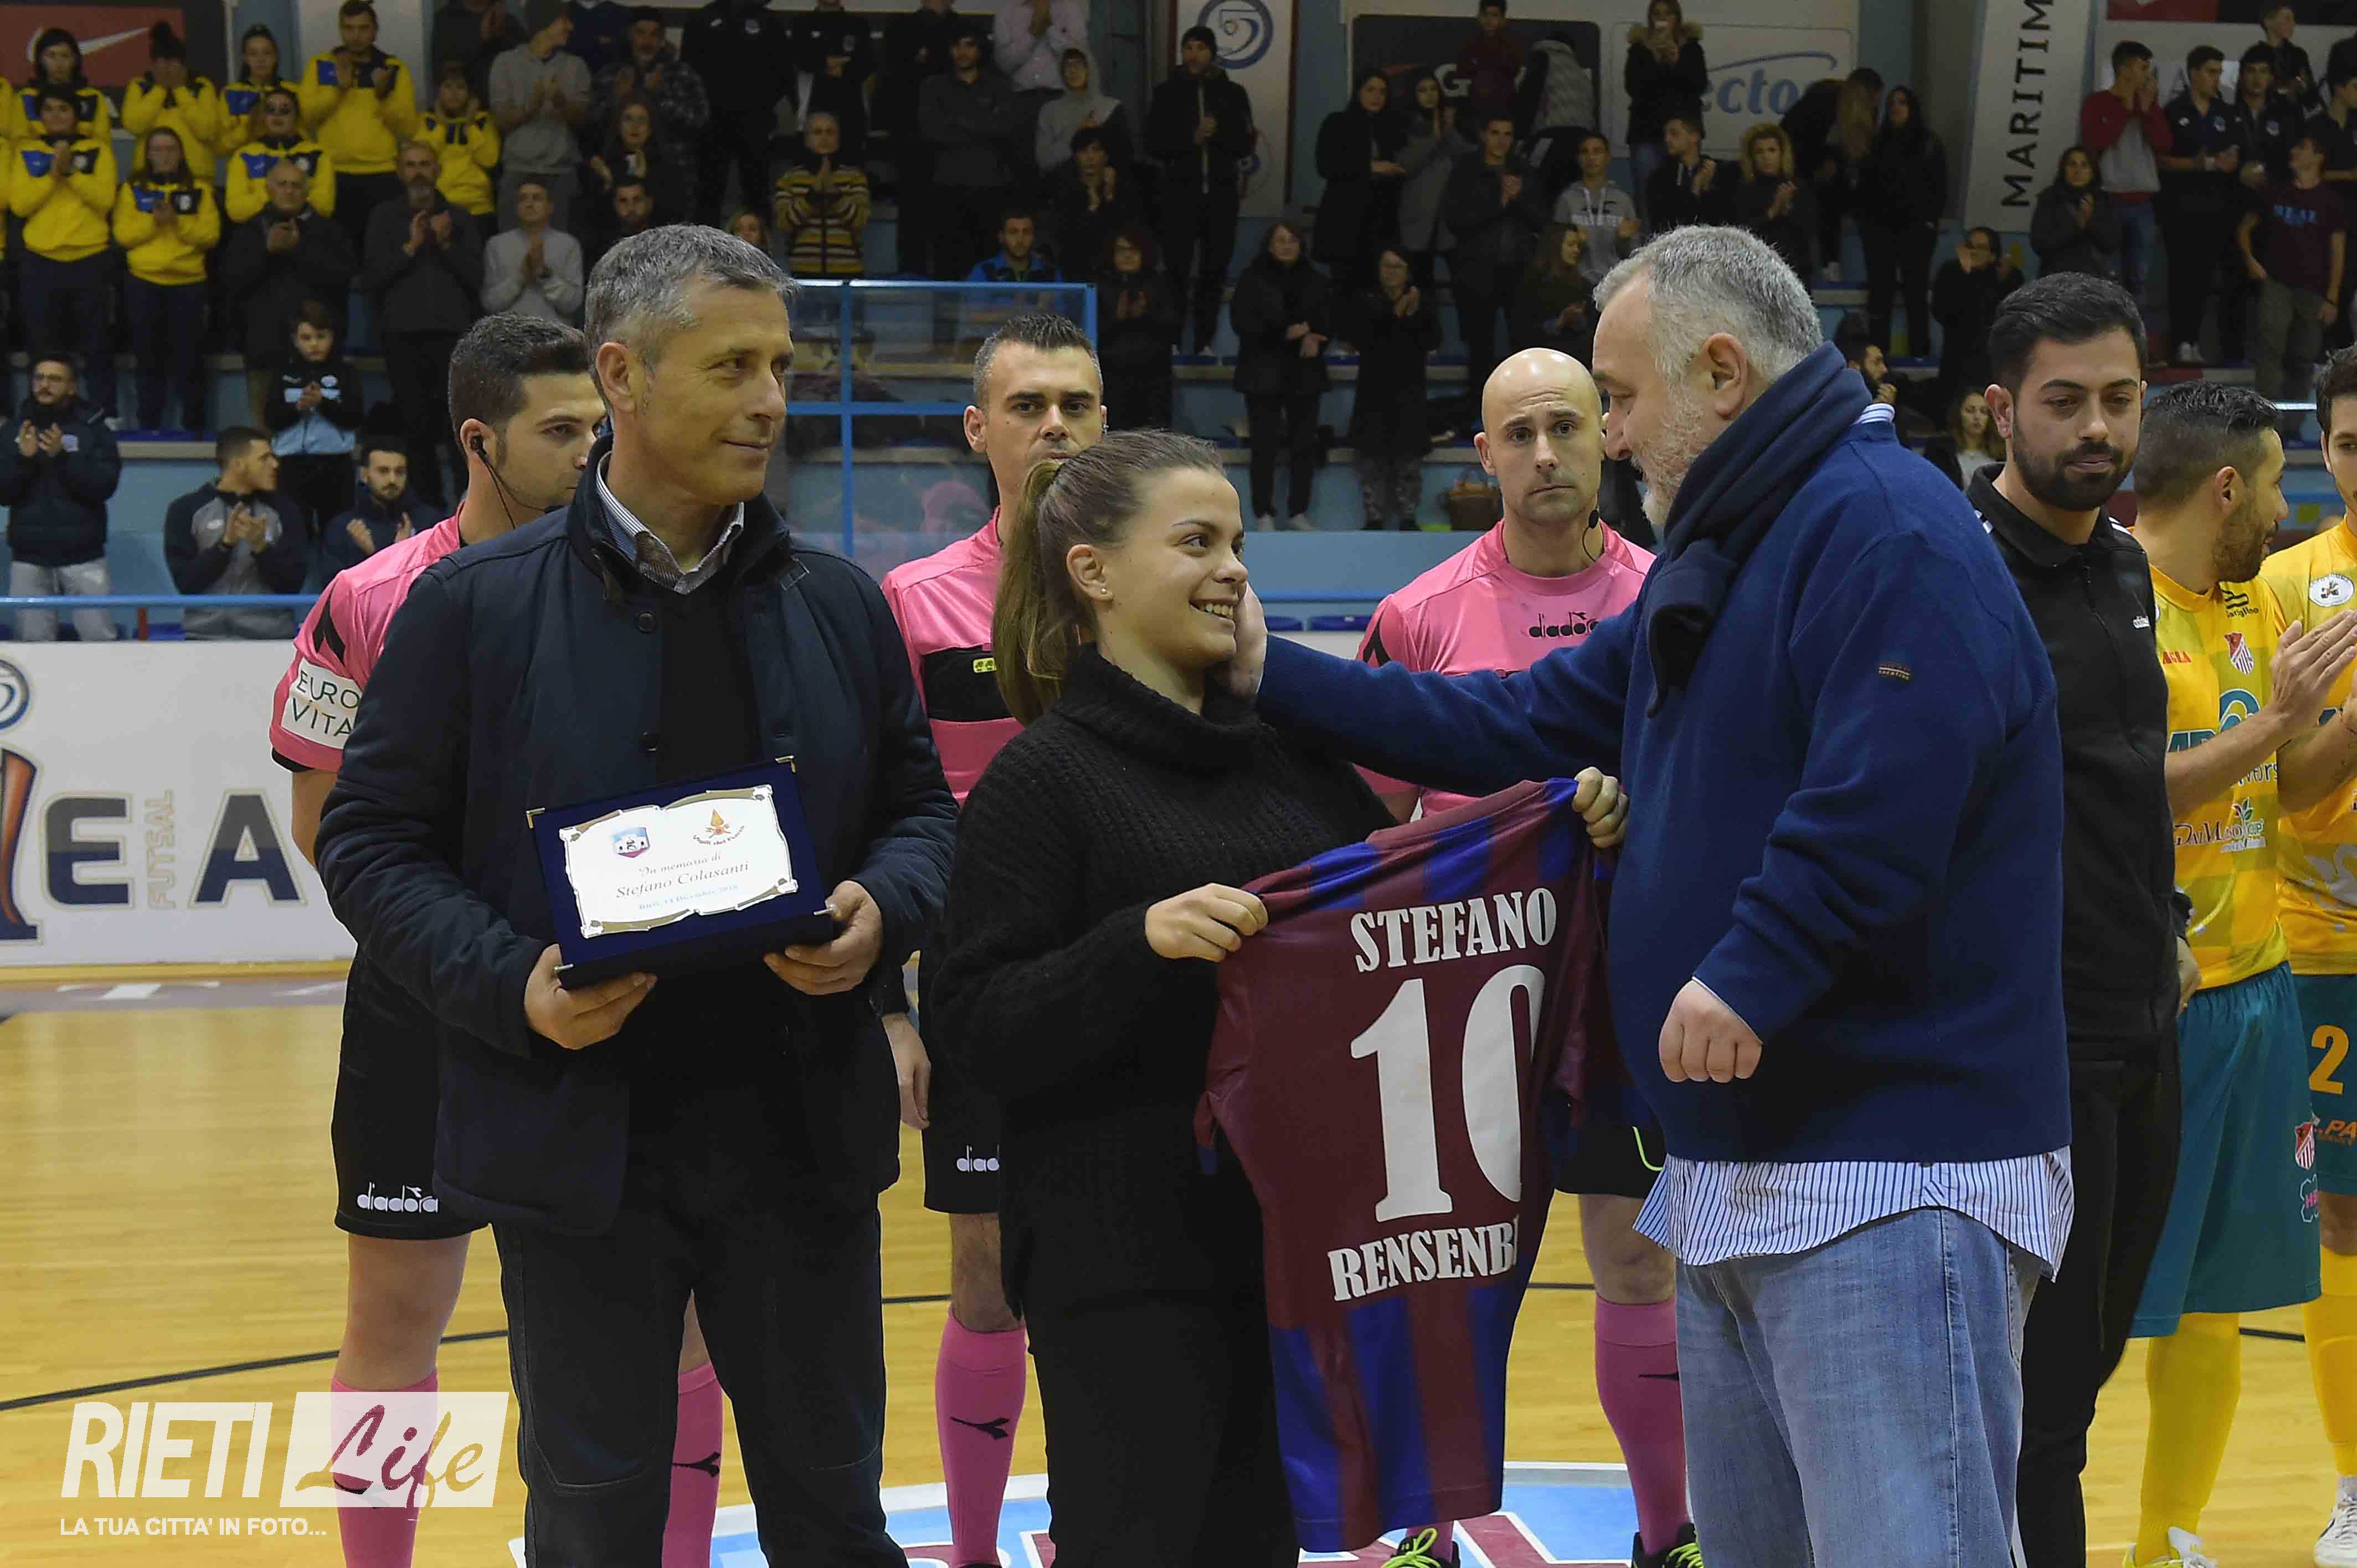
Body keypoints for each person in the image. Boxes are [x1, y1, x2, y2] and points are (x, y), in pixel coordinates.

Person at [1218, 223, 2076, 1564]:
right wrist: (1269, 670)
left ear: (1721, 373)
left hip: (1892, 1173)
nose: (1609, 436)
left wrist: (1751, 967)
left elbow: (1892, 788)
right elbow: (1525, 717)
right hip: (1747, 1160)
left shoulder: (1886, 525)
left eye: (1617, 397)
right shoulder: (1733, 543)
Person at [313, 223, 955, 1567]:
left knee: (836, 1514)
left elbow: (921, 816)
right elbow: (366, 840)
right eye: (731, 366)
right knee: (593, 1520)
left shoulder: (843, 605)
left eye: (780, 366)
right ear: (621, 375)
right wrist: (511, 984)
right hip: (578, 1146)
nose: (771, 400)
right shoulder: (470, 607)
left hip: (800, 1138)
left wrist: (883, 909)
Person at [266, 315, 741, 1568]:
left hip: (621, 1000)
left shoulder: (662, 582)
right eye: (563, 428)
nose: (595, 448)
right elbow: (322, 825)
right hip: (426, 1007)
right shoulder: (367, 598)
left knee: (675, 1324)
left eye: (600, 423)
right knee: (393, 1324)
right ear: (480, 441)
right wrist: (478, 958)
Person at [919, 430, 1402, 1565]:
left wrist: (1548, 827)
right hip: (1120, 1271)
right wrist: (1134, 944)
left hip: (1287, 1253)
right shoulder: (1040, 780)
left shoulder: (1294, 761)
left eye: (1237, 545)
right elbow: (976, 1024)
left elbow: (1397, 918)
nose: (1232, 569)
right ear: (1093, 572)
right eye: (1197, 542)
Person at [1349, 347, 1696, 1568]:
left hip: (1627, 990)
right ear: (1482, 455)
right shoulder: (1418, 614)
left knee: (1636, 1256)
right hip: (1462, 993)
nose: (1545, 455)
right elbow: (1365, 823)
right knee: (1444, 1264)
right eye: (1518, 434)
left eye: (1566, 426)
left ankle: (1670, 1533)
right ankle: (1419, 1533)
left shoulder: (1673, 599)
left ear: (1607, 434)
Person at [873, 312, 1104, 1568]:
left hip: (1135, 970)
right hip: (980, 988)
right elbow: (872, 812)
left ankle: (1091, 1531)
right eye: (1028, 406)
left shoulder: (1150, 581)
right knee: (985, 1272)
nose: (1055, 425)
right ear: (978, 430)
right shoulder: (914, 603)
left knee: (1112, 1270)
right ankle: (972, 1550)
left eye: (1077, 404)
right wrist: (887, 1009)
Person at [1963, 276, 2183, 1568]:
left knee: (2082, 1377)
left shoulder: (2126, 561)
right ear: (2000, 410)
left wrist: (2167, 919)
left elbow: (2122, 780)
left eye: (2118, 397)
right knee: (2041, 1412)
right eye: (2065, 401)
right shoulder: (1959, 575)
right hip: (2033, 1047)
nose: (2097, 427)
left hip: (2146, 1022)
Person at [2124, 379, 2357, 1568]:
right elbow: (2119, 797)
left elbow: (2288, 787)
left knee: (2214, 1302)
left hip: (2260, 990)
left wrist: (2340, 722)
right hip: (2146, 1001)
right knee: (2097, 1305)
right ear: (2225, 487)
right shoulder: (2112, 605)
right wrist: (2273, 726)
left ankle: (2163, 1543)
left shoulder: (2247, 605)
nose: (2284, 506)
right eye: (2272, 483)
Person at [2258, 346, 2357, 1567]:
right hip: (2326, 943)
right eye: (2345, 444)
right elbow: (2288, 790)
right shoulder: (2289, 585)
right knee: (2341, 1217)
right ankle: (2353, 1482)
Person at [365, 141, 485, 506]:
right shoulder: (384, 217)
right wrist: (411, 246)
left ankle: (469, 507)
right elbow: (374, 277)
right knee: (414, 427)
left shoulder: (459, 218)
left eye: (425, 164)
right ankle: (427, 511)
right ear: (400, 172)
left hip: (453, 337)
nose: (418, 172)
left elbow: (477, 279)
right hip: (402, 337)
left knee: (458, 426)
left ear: (437, 170)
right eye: (411, 165)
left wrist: (446, 245)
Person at [11, 89, 119, 424]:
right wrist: (53, 176)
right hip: (41, 261)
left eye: (64, 109)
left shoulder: (98, 150)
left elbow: (105, 200)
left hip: (90, 258)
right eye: (49, 110)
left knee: (98, 347)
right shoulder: (27, 151)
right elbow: (20, 205)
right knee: (42, 349)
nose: (56, 116)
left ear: (76, 115)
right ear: (40, 116)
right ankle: (41, 418)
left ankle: (105, 418)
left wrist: (71, 173)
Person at [1148, 26, 1255, 355]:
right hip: (1179, 197)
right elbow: (1154, 143)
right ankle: (1173, 340)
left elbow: (1244, 144)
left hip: (1221, 196)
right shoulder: (1167, 93)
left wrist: (1219, 133)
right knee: (1176, 273)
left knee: (1214, 272)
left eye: (1201, 48)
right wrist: (1191, 138)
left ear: (1213, 53)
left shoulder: (1233, 94)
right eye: (1188, 48)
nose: (1194, 55)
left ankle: (1205, 341)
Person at [0, 357, 121, 643]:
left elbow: (104, 486)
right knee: (33, 645)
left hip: (84, 555)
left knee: (100, 641)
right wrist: (24, 460)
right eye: (39, 378)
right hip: (29, 558)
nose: (44, 385)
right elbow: (3, 493)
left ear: (72, 387)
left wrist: (63, 458)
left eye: (54, 379)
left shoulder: (94, 429)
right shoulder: (13, 429)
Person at [223, 163, 358, 415]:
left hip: (321, 358)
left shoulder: (331, 231)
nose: (289, 191)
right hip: (263, 353)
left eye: (296, 185)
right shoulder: (248, 231)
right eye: (282, 184)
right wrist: (267, 253)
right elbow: (232, 282)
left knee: (321, 430)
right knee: (266, 432)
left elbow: (341, 278)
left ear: (307, 192)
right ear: (268, 189)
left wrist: (299, 250)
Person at [112, 127, 220, 435]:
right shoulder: (133, 190)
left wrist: (177, 223)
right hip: (144, 283)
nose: (164, 155)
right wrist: (154, 222)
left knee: (191, 362)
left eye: (171, 149)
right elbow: (123, 235)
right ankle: (149, 428)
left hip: (188, 283)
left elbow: (210, 236)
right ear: (148, 154)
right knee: (148, 361)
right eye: (158, 149)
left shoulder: (199, 189)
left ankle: (195, 429)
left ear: (181, 153)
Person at [2241, 129, 2345, 438]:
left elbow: (2338, 252)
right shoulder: (2276, 192)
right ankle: (2265, 423)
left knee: (2303, 356)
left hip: (2313, 289)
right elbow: (2244, 228)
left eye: (2303, 148)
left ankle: (2293, 426)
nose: (2295, 152)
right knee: (2270, 347)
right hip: (2277, 283)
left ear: (2319, 156)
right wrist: (2250, 260)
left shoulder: (2330, 202)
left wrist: (2332, 298)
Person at [1445, 114, 1548, 425]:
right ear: (1483, 135)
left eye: (1507, 133)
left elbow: (1541, 219)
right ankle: (1480, 416)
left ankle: (1525, 413)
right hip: (1478, 271)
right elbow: (1456, 220)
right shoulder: (1466, 170)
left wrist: (1519, 200)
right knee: (1481, 346)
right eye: (1495, 133)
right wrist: (1500, 201)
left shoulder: (1524, 170)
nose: (1501, 140)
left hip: (1519, 270)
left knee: (1523, 342)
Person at [1231, 219, 1329, 533]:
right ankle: (1264, 513)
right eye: (1280, 240)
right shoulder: (1252, 278)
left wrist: (1316, 337)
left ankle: (1298, 511)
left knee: (1304, 445)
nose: (1287, 246)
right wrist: (1283, 333)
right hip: (1263, 372)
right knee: (1264, 446)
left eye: (1293, 240)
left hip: (1305, 371)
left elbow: (1328, 319)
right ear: (1269, 245)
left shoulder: (1316, 279)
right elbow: (1241, 322)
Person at [298, 1, 420, 252]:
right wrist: (337, 90)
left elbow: (408, 127)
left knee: (384, 251)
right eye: (349, 28)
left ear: (375, 31)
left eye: (363, 28)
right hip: (334, 172)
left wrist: (383, 96)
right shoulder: (321, 64)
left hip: (383, 173)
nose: (356, 35)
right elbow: (306, 117)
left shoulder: (393, 68)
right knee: (339, 253)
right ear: (340, 29)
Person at [164, 427, 305, 638]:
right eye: (265, 459)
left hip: (271, 637)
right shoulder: (185, 510)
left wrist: (262, 549)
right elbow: (186, 584)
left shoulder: (286, 511)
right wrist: (225, 546)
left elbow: (292, 586)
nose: (275, 465)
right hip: (204, 638)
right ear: (238, 465)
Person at [2159, 47, 2247, 365]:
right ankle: (2182, 342)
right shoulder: (2174, 111)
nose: (2216, 79)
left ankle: (2202, 343)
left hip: (2218, 209)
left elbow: (2236, 152)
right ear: (2194, 73)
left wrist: (2230, 161)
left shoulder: (2226, 112)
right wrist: (2199, 164)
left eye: (2219, 72)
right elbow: (2161, 160)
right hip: (2181, 209)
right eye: (2211, 72)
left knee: (2210, 280)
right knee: (2183, 277)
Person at [1343, 246, 1441, 531]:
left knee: (1409, 459)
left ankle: (1408, 515)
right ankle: (1373, 516)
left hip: (1410, 390)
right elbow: (1361, 337)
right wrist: (1397, 311)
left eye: (1398, 267)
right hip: (1373, 389)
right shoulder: (1365, 300)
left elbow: (1433, 339)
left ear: (1408, 272)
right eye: (1387, 266)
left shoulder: (1423, 302)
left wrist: (1413, 313)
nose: (1392, 272)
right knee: (1371, 459)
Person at [920, 25, 1027, 286]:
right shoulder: (933, 86)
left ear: (980, 50)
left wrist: (957, 120)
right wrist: (982, 123)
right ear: (949, 50)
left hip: (990, 189)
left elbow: (1005, 130)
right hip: (947, 188)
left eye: (970, 44)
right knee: (946, 269)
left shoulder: (1000, 87)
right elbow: (932, 131)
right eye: (957, 45)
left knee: (988, 269)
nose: (963, 52)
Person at [1856, 85, 1947, 362]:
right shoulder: (1878, 143)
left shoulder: (1928, 143)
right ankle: (1878, 355)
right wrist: (1868, 225)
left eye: (1902, 103)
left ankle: (1919, 352)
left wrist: (1930, 222)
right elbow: (1865, 189)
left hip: (1916, 230)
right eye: (1892, 103)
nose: (1896, 108)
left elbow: (1939, 187)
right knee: (1880, 293)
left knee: (1915, 292)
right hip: (1880, 230)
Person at [263, 301, 364, 537]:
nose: (314, 344)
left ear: (332, 337)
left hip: (336, 465)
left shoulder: (346, 373)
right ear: (295, 340)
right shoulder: (283, 374)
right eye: (306, 338)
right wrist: (298, 407)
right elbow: (271, 419)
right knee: (295, 535)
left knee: (338, 535)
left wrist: (323, 404)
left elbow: (355, 417)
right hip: (292, 466)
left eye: (321, 337)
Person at [882, 0, 966, 286]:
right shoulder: (901, 28)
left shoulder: (964, 29)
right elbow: (894, 74)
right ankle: (912, 273)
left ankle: (950, 277)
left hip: (954, 141)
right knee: (912, 207)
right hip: (910, 135)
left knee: (950, 209)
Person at [683, 0, 791, 221]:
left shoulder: (769, 22)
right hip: (711, 121)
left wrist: (761, 104)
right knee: (709, 193)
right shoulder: (701, 19)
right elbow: (689, 72)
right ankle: (705, 243)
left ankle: (759, 242)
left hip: (754, 120)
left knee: (757, 192)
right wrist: (702, 111)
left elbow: (783, 72)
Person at [774, 111, 871, 355]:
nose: (824, 138)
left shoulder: (854, 178)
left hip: (849, 278)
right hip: (805, 278)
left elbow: (860, 221)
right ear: (806, 138)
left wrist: (835, 194)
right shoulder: (790, 179)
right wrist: (812, 196)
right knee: (808, 348)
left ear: (839, 138)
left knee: (851, 347)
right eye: (817, 132)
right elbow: (784, 223)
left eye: (830, 132)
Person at [491, 0, 591, 231]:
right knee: (511, 247)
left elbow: (583, 122)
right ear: (545, 22)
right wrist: (531, 107)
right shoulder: (505, 63)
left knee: (563, 248)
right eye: (564, 20)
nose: (570, 27)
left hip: (562, 174)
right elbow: (500, 121)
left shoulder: (576, 66)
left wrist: (561, 103)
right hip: (517, 172)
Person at [2083, 40, 2168, 311]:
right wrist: (2127, 107)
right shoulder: (2097, 103)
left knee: (2138, 280)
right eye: (2143, 68)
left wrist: (2147, 111)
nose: (2147, 75)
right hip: (2108, 201)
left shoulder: (2149, 105)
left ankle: (2134, 335)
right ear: (2125, 69)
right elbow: (2096, 142)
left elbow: (2164, 145)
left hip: (2143, 205)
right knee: (2105, 278)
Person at [1313, 70, 1408, 296]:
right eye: (1370, 90)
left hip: (1381, 224)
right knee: (1345, 294)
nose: (1377, 97)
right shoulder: (1337, 123)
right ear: (1358, 92)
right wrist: (1370, 167)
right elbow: (1326, 166)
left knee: (1378, 296)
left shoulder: (1392, 128)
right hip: (1345, 224)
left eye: (1383, 92)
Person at [1782, 66, 1879, 282]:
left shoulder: (1869, 111)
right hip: (1800, 160)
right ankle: (1820, 263)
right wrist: (1819, 165)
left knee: (1840, 196)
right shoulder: (1823, 100)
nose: (1872, 104)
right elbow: (1798, 137)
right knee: (1817, 202)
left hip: (1832, 166)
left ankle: (1835, 262)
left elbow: (1862, 151)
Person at [588, 6, 711, 163]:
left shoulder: (682, 74)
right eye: (640, 33)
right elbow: (592, 124)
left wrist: (661, 96)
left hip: (672, 164)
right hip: (619, 166)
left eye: (654, 34)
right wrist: (618, 99)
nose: (647, 41)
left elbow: (700, 119)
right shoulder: (610, 75)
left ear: (662, 39)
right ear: (630, 35)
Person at [1623, 0, 1705, 222]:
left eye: (1668, 13)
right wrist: (1655, 60)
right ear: (1650, 18)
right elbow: (1633, 87)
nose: (1662, 19)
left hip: (1684, 134)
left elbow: (1699, 84)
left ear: (1677, 18)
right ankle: (1649, 241)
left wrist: (1677, 60)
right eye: (1656, 14)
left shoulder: (1691, 47)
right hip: (1647, 132)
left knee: (1686, 190)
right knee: (1646, 194)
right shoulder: (1640, 48)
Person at [318, 436, 441, 580]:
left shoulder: (431, 523)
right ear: (364, 475)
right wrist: (372, 557)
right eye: (383, 471)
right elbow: (336, 589)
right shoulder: (343, 528)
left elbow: (441, 582)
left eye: (400, 472)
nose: (392, 480)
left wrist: (399, 554)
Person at [1931, 225, 2021, 406]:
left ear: (1993, 255)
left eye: (1980, 248)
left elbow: (1998, 315)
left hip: (1989, 360)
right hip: (1955, 357)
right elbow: (1942, 312)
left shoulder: (2006, 276)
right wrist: (1965, 275)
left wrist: (2002, 280)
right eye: (1970, 246)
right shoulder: (1950, 272)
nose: (1973, 252)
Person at [1398, 72, 1471, 292]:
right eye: (1422, 90)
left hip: (1448, 220)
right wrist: (1436, 138)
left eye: (1433, 89)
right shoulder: (1404, 125)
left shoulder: (1446, 123)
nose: (1430, 95)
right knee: (1422, 289)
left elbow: (1466, 157)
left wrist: (1448, 132)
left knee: (1465, 285)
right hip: (1417, 219)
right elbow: (1407, 165)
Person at [125, 24, 224, 186]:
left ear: (183, 65)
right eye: (162, 64)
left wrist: (179, 89)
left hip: (196, 178)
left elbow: (207, 131)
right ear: (153, 65)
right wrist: (160, 89)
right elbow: (134, 125)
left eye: (172, 64)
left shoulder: (201, 87)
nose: (167, 70)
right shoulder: (140, 86)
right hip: (148, 178)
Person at [1098, 228, 1177, 431]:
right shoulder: (1101, 285)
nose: (1127, 255)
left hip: (1153, 380)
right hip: (1113, 378)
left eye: (1133, 250)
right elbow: (1092, 333)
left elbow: (1172, 330)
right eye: (1121, 250)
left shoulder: (1160, 285)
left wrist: (1146, 315)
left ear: (1145, 253)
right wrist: (1117, 319)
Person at [226, 87, 336, 226]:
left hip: (306, 229)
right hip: (259, 230)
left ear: (296, 117)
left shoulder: (317, 154)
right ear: (263, 116)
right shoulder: (244, 155)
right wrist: (285, 197)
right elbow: (236, 211)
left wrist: (270, 198)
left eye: (285, 111)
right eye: (271, 110)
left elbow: (324, 206)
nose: (277, 115)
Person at [484, 178, 586, 323]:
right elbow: (490, 304)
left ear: (550, 207)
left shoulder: (569, 244)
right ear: (516, 207)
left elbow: (574, 304)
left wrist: (545, 275)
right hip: (510, 332)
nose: (529, 204)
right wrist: (521, 276)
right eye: (523, 199)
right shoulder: (496, 245)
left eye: (537, 198)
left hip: (555, 332)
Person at [1519, 25, 1599, 205]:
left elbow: (1529, 96)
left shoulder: (1543, 57)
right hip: (1581, 142)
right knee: (1570, 197)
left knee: (1538, 187)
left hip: (1550, 137)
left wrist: (1521, 135)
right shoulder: (1581, 74)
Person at [1046, 126, 1135, 286]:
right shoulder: (1065, 193)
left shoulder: (1121, 190)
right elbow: (1067, 240)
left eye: (1096, 150)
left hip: (1114, 274)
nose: (1090, 157)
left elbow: (1127, 233)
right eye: (1084, 151)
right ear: (1075, 157)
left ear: (1106, 156)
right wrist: (1092, 209)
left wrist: (1109, 196)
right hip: (1076, 273)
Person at [587, 96, 694, 224]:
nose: (635, 126)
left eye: (642, 120)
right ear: (618, 126)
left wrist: (645, 181)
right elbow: (593, 216)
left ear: (650, 129)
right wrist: (608, 183)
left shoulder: (667, 165)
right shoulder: (604, 165)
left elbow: (676, 210)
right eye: (628, 119)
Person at [1556, 131, 1641, 288]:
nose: (1591, 157)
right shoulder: (1567, 200)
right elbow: (1555, 251)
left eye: (1597, 151)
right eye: (1585, 152)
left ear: (1608, 157)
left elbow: (1635, 255)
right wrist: (1577, 243)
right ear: (1578, 158)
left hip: (1615, 284)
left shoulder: (1623, 200)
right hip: (1576, 285)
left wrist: (1623, 241)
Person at [1733, 121, 1815, 278]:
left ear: (1782, 154)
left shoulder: (1797, 188)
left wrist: (1788, 209)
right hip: (1756, 271)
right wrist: (1773, 211)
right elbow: (1742, 234)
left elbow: (1809, 232)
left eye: (1772, 150)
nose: (1766, 157)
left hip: (1795, 271)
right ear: (1752, 158)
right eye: (1759, 152)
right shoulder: (1745, 191)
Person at [420, 62, 502, 219]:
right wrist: (442, 125)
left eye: (461, 87)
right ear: (438, 91)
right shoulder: (426, 121)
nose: (454, 93)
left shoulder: (483, 121)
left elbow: (489, 161)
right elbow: (424, 160)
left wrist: (470, 125)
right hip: (439, 205)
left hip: (478, 206)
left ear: (471, 94)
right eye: (448, 86)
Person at [1035, 47, 1129, 181]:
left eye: (1079, 64)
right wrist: (1074, 131)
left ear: (1089, 68)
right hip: (1062, 186)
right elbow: (1044, 162)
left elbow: (1123, 158)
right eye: (1068, 65)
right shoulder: (1049, 111)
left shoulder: (1111, 108)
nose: (1073, 70)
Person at [2032, 146, 2123, 280]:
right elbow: (2039, 244)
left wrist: (2089, 222)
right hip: (2056, 278)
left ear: (2093, 172)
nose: (2078, 171)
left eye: (2084, 165)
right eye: (2072, 164)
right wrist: (2077, 226)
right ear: (2064, 169)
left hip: (2094, 279)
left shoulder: (2103, 201)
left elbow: (2111, 244)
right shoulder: (2050, 198)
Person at [1511, 222, 1594, 363]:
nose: (1576, 250)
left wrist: (1579, 321)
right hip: (1542, 358)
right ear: (1555, 246)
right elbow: (1522, 330)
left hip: (1577, 358)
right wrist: (1559, 323)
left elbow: (1592, 326)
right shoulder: (1532, 285)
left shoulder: (1584, 286)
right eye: (1571, 245)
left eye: (1578, 246)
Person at [18, 28, 115, 145]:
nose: (59, 63)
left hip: (83, 156)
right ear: (40, 59)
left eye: (65, 56)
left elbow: (102, 145)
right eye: (51, 56)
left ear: (76, 59)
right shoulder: (26, 97)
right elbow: (18, 143)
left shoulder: (94, 97)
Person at [1643, 110, 1733, 234]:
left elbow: (1726, 221)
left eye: (1674, 134)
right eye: (1665, 135)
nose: (1667, 139)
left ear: (1695, 136)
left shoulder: (1720, 172)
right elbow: (1664, 223)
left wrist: (1707, 189)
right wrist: (1695, 190)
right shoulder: (1659, 178)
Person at [219, 24, 293, 160]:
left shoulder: (292, 91)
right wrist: (247, 129)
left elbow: (302, 138)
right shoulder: (231, 93)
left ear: (276, 57)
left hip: (284, 166)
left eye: (267, 53)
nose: (261, 60)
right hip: (244, 167)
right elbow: (222, 146)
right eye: (253, 54)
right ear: (245, 58)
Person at [431, 0, 522, 107]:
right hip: (463, 110)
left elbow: (527, 60)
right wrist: (482, 40)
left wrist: (499, 33)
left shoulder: (507, 21)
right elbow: (443, 72)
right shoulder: (446, 19)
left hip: (506, 109)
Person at [992, 0, 1087, 102]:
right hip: (1020, 98)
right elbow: (1005, 65)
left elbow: (1077, 59)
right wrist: (1033, 33)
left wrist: (1049, 27)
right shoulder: (1007, 11)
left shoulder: (1070, 9)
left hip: (1063, 97)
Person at [1459, 0, 1525, 136]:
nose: (1489, 20)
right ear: (1479, 17)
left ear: (1503, 20)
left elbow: (1513, 70)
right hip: (1476, 109)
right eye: (1485, 15)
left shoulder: (1512, 44)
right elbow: (1463, 70)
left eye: (1494, 16)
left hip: (1505, 109)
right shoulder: (1470, 43)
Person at [588, 173, 659, 270]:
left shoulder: (663, 240)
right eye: (623, 201)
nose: (631, 208)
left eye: (637, 200)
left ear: (649, 203)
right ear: (614, 204)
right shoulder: (601, 246)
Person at [1939, 388, 2005, 491]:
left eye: (1984, 412)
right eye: (1970, 411)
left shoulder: (2002, 454)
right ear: (1958, 414)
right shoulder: (1943, 453)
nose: (1977, 417)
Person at [2258, 2, 2317, 110]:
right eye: (2287, 18)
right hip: (2265, 116)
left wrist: (2303, 88)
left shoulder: (2299, 55)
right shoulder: (2256, 55)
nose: (2293, 24)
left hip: (2293, 116)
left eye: (2293, 19)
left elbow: (2312, 101)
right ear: (2268, 22)